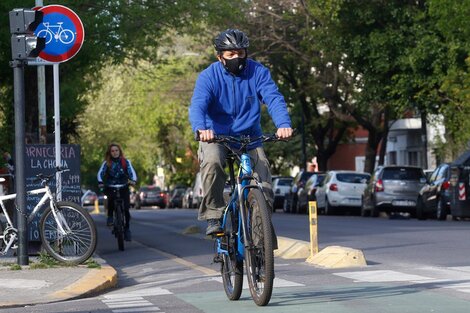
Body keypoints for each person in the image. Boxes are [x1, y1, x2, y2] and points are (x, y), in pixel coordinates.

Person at [189, 29, 293, 236]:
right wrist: (201, 129)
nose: (237, 57)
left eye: (241, 53)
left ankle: (258, 233)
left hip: (249, 136)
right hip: (216, 135)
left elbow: (273, 98)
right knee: (212, 162)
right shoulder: (209, 76)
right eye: (231, 54)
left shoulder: (258, 72)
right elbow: (198, 105)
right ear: (220, 57)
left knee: (264, 181)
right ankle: (214, 214)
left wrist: (283, 124)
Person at [97, 143, 137, 241]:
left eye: (116, 150)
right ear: (110, 153)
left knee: (126, 209)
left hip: (124, 187)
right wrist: (100, 182)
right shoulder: (106, 163)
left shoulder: (125, 162)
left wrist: (133, 180)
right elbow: (100, 174)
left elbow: (132, 173)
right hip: (111, 187)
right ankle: (110, 216)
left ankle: (127, 229)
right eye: (112, 151)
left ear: (120, 151)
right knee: (110, 200)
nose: (115, 153)